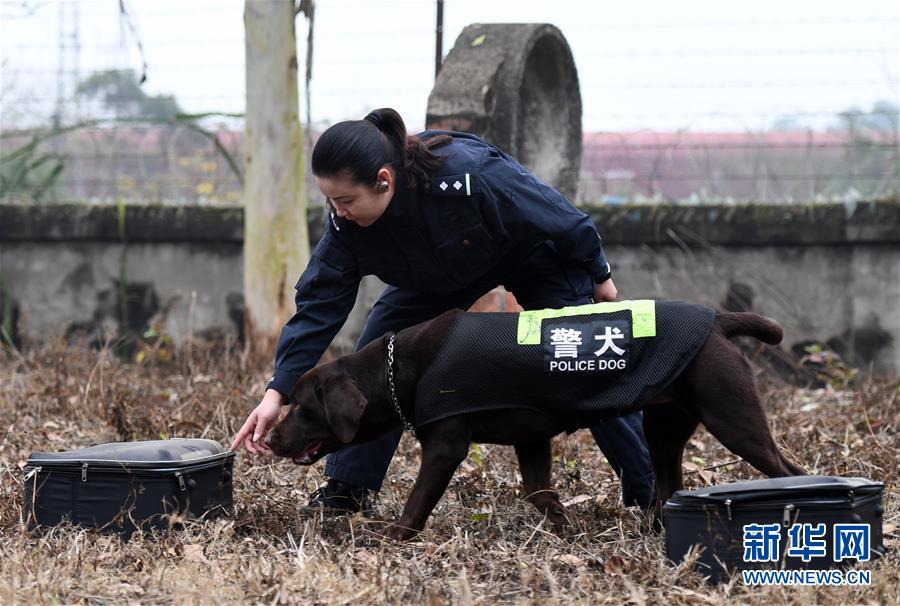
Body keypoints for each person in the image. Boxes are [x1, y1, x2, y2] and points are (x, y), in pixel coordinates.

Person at [230, 108, 655, 514]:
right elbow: (318, 306)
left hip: (528, 255)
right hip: (435, 280)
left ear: (383, 180)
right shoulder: (347, 226)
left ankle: (650, 489)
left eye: (345, 200)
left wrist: (600, 278)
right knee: (379, 361)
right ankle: (348, 489)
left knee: (590, 359)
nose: (338, 212)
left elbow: (560, 217)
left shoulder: (468, 173)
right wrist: (276, 393)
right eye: (331, 202)